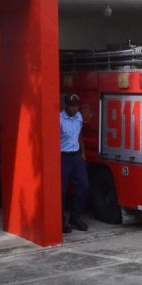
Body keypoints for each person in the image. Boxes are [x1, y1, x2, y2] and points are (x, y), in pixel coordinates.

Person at [60, 94, 89, 233]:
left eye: (77, 105)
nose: (75, 108)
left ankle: (75, 217)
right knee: (62, 191)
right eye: (72, 105)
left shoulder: (79, 117)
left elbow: (79, 135)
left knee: (84, 186)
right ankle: (61, 221)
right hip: (63, 156)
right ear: (66, 105)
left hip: (76, 156)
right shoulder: (59, 119)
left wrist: (83, 152)